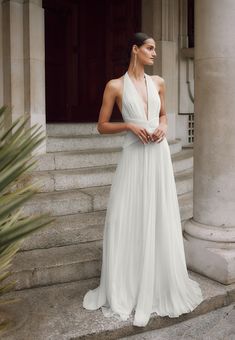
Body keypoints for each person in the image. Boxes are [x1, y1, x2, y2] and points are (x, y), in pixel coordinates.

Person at [82, 32, 203, 327]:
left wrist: (163, 127)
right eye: (150, 48)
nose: (154, 53)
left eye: (155, 49)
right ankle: (128, 283)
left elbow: (162, 115)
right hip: (134, 157)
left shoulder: (158, 82)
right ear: (135, 50)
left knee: (159, 214)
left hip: (158, 156)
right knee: (126, 217)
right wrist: (129, 126)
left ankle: (158, 281)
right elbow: (101, 126)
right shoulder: (115, 86)